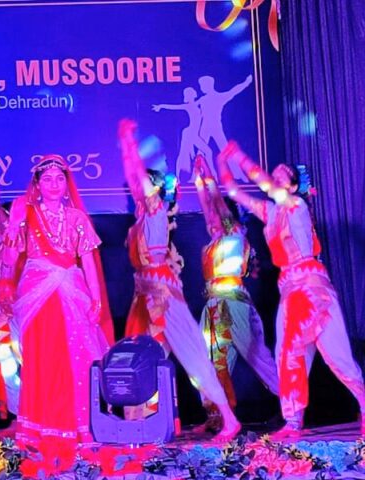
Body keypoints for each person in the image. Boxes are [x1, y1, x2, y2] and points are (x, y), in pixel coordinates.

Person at [217, 142, 365, 439]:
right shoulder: (270, 212)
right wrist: (222, 162)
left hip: (313, 290)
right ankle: (293, 421)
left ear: (293, 186)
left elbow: (262, 181)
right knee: (287, 355)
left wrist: (239, 156)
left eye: (282, 174)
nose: (275, 177)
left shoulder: (297, 205)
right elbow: (233, 192)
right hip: (289, 291)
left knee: (338, 357)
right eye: (274, 174)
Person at [117, 119, 240, 441]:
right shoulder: (141, 219)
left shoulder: (156, 210)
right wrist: (126, 144)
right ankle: (144, 423)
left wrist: (130, 142)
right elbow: (133, 177)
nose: (137, 188)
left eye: (144, 185)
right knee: (143, 359)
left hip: (163, 294)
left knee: (192, 355)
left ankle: (228, 419)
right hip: (145, 293)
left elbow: (137, 176)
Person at [0, 155, 112, 444]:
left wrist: (96, 300)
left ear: (67, 183)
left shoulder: (77, 218)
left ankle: (77, 427)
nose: (54, 184)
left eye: (59, 179)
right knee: (42, 359)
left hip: (72, 294)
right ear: (37, 185)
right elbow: (10, 260)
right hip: (37, 295)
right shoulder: (26, 215)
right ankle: (39, 429)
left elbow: (88, 261)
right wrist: (13, 226)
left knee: (76, 359)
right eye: (47, 179)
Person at [192, 155, 279, 431]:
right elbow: (207, 207)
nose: (210, 219)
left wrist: (208, 176)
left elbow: (216, 203)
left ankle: (291, 407)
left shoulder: (235, 233)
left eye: (216, 216)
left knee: (258, 357)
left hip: (235, 304)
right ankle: (218, 417)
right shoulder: (213, 241)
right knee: (210, 362)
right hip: (214, 306)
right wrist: (198, 181)